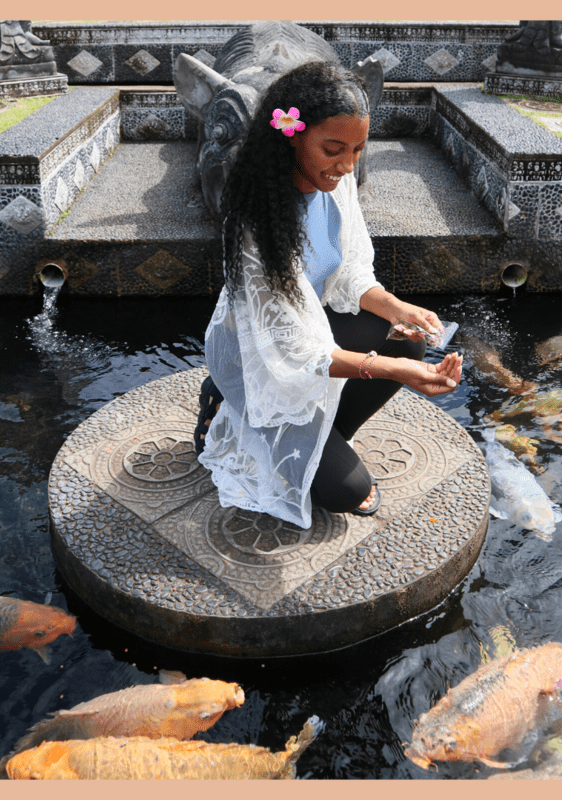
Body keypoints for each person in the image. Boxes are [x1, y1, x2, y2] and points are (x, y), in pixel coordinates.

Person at [196, 61, 462, 530]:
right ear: (292, 136)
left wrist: (398, 307)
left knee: (409, 339)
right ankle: (223, 400)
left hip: (309, 328)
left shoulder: (335, 184)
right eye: (333, 148)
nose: (346, 165)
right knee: (346, 491)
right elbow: (294, 350)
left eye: (358, 149)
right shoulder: (255, 222)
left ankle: (329, 437)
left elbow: (349, 274)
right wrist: (394, 370)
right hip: (261, 354)